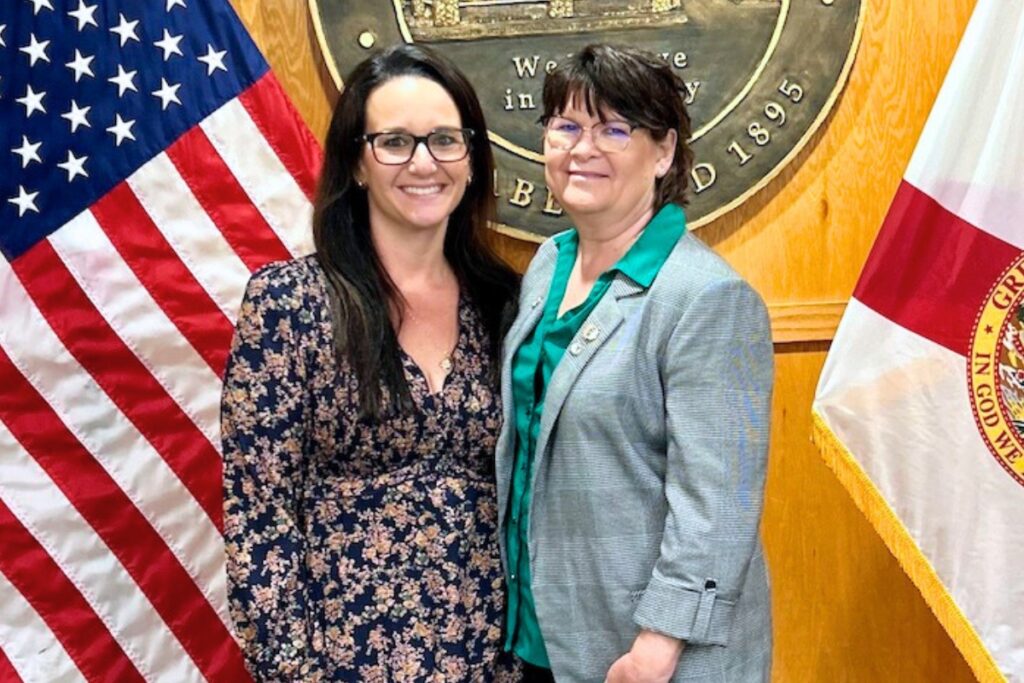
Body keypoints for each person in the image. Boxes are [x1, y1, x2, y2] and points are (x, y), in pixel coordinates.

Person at [221, 44, 520, 681]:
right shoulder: (289, 304)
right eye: (395, 142)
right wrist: (294, 672)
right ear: (357, 162)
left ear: (471, 159)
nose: (423, 163)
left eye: (444, 139)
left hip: (494, 658)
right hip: (343, 661)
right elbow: (259, 513)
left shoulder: (508, 304)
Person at [497, 44, 774, 682]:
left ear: (664, 152)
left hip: (648, 655)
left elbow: (718, 501)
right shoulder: (549, 262)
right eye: (565, 126)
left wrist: (659, 643)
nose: (582, 148)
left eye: (614, 129)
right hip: (549, 633)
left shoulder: (707, 298)